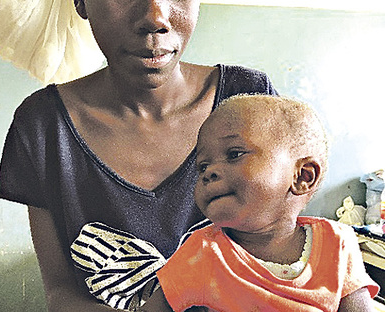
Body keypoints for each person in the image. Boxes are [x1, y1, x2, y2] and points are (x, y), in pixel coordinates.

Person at [0, 0, 278, 311]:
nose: (155, 17)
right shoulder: (42, 130)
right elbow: (60, 293)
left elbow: (288, 252)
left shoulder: (250, 103)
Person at [140, 94, 379, 312]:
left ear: (303, 176)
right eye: (202, 166)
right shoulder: (203, 252)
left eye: (234, 154)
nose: (209, 172)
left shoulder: (337, 243)